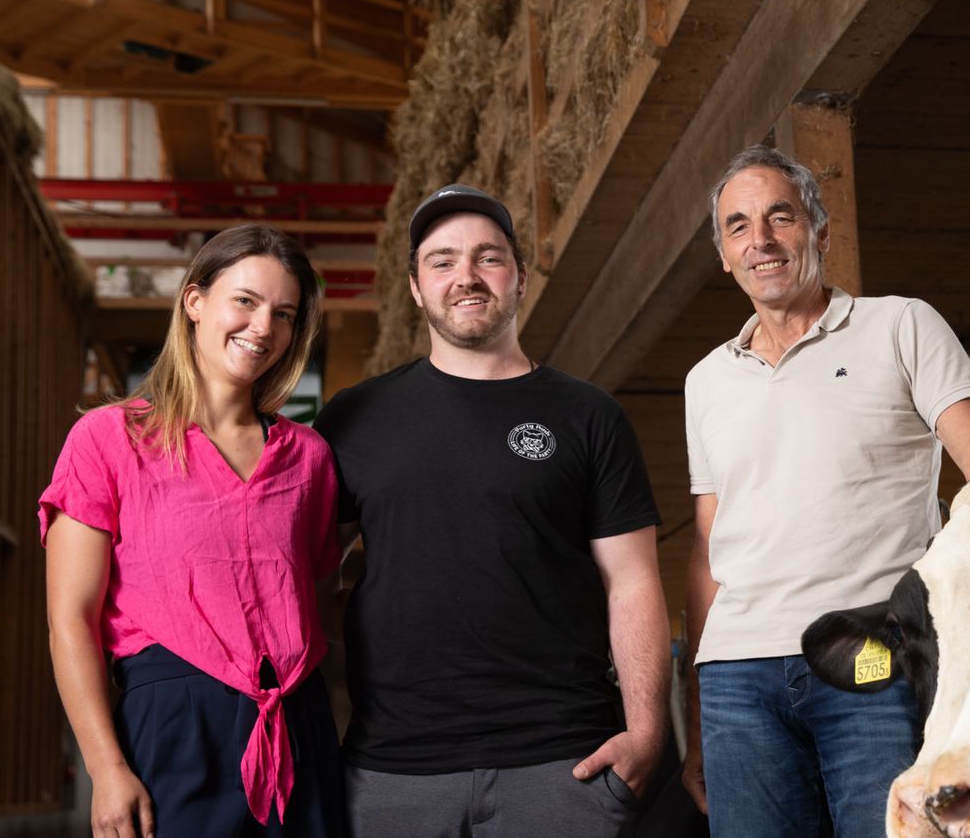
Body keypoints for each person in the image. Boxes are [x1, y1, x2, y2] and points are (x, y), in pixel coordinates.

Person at [681, 145, 970, 838]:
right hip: (736, 679)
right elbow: (706, 545)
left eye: (779, 217)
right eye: (738, 226)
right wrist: (698, 713)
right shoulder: (706, 381)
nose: (760, 240)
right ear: (723, 254)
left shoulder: (900, 325)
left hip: (871, 659)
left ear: (819, 231)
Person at [313, 184, 671, 838]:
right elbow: (308, 574)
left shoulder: (587, 415)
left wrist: (647, 732)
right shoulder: (354, 418)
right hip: (394, 769)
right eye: (442, 261)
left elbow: (634, 580)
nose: (467, 277)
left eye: (489, 257)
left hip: (562, 763)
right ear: (416, 288)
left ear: (520, 278)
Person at [41, 225, 346, 838]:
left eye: (283, 314)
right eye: (246, 301)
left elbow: (315, 602)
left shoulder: (309, 456)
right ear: (195, 302)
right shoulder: (109, 438)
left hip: (297, 725)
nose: (264, 327)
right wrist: (106, 768)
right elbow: (70, 619)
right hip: (174, 724)